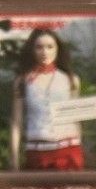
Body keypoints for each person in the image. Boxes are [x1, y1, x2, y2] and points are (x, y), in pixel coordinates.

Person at [9, 27, 86, 172]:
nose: (45, 52)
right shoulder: (22, 81)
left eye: (50, 47)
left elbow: (77, 119)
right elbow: (16, 122)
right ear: (32, 50)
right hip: (37, 152)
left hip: (68, 150)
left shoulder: (71, 80)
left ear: (57, 49)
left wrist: (80, 150)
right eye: (39, 47)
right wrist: (14, 158)